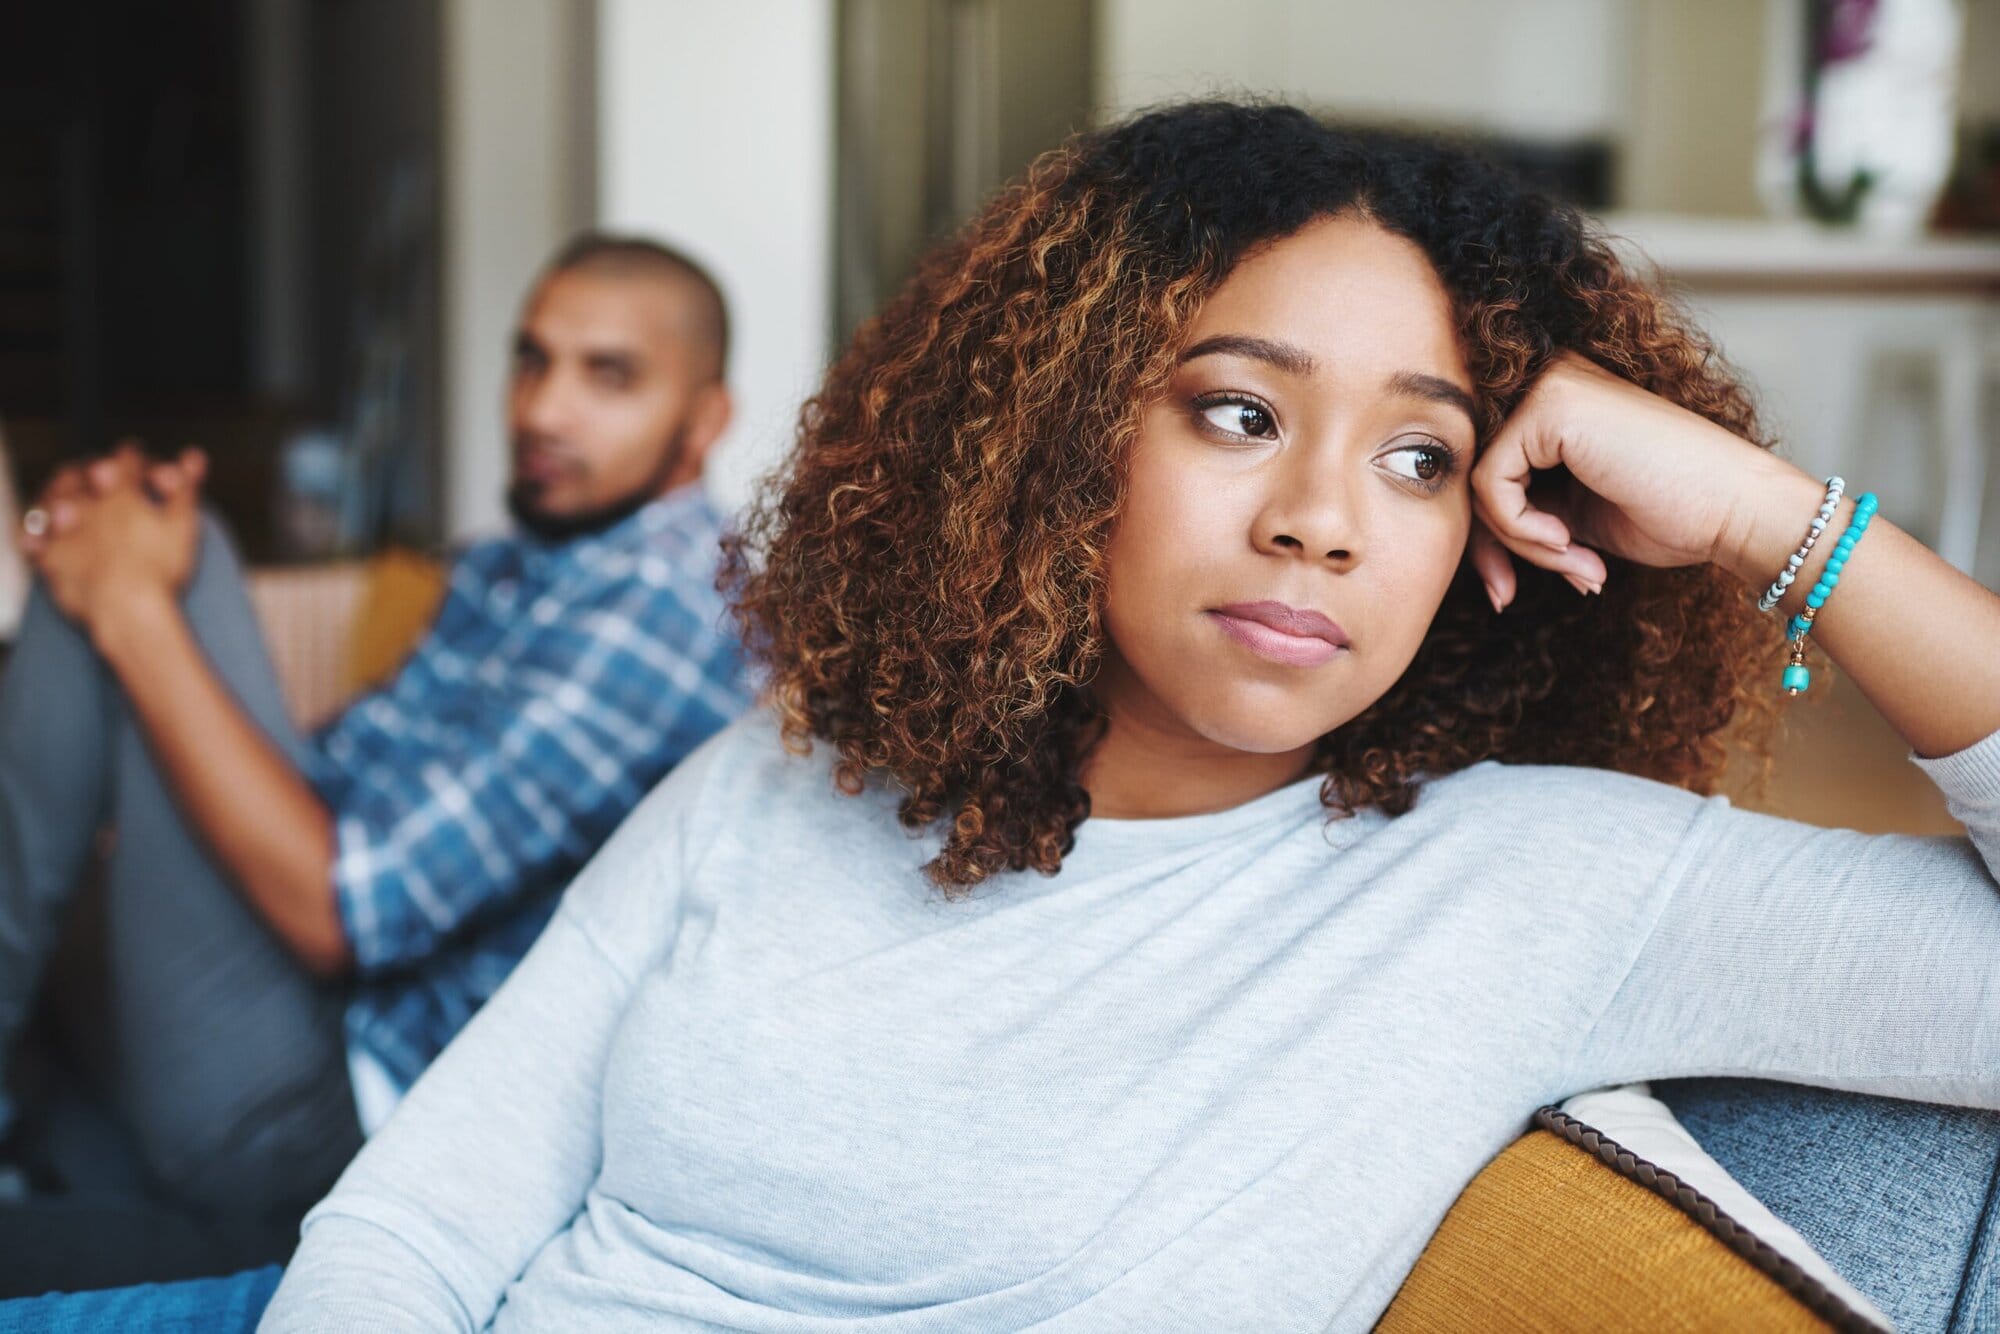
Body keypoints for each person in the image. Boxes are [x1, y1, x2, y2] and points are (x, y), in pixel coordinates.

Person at [12, 101, 2000, 1332]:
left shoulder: (1541, 886)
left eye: (1420, 456)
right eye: (1238, 411)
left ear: (1501, 512)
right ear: (1060, 448)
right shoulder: (791, 766)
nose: (1315, 513)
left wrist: (1776, 517)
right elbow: (425, 1221)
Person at [0, 233, 753, 1294]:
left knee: (167, 556)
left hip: (334, 1111)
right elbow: (329, 778)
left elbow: (341, 910)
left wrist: (129, 600)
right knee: (149, 537)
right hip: (310, 1004)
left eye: (609, 375)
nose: (542, 409)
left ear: (705, 419)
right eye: (532, 359)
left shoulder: (660, 611)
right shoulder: (518, 564)